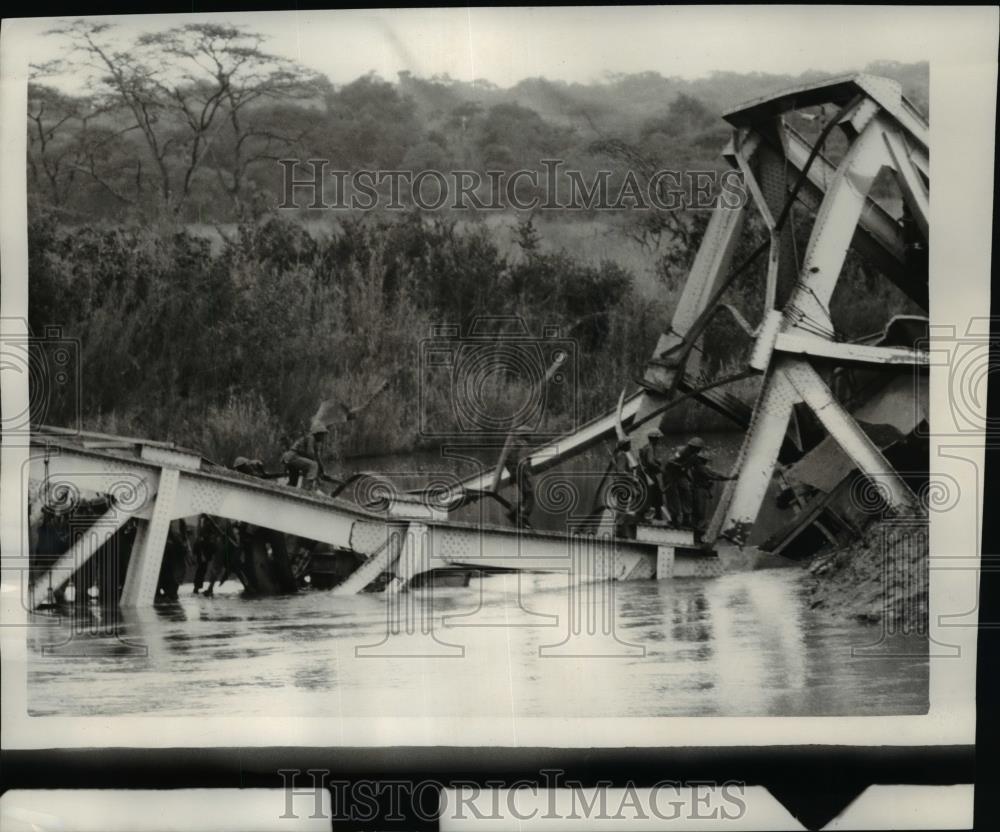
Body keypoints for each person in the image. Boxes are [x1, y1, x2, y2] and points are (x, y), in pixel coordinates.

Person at [281, 421, 328, 490]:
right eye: (322, 434)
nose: (323, 437)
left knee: (293, 483)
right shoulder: (311, 438)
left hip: (292, 458)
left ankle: (289, 491)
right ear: (318, 434)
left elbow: (317, 457)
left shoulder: (315, 442)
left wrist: (322, 470)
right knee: (313, 465)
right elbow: (310, 453)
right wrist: (317, 469)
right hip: (293, 457)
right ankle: (307, 488)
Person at [637, 429, 668, 521]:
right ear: (654, 439)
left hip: (644, 474)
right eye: (657, 439)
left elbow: (648, 460)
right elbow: (650, 462)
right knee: (656, 494)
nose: (658, 441)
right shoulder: (650, 448)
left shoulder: (645, 447)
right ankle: (656, 515)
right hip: (649, 475)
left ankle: (649, 514)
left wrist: (657, 461)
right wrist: (659, 468)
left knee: (648, 494)